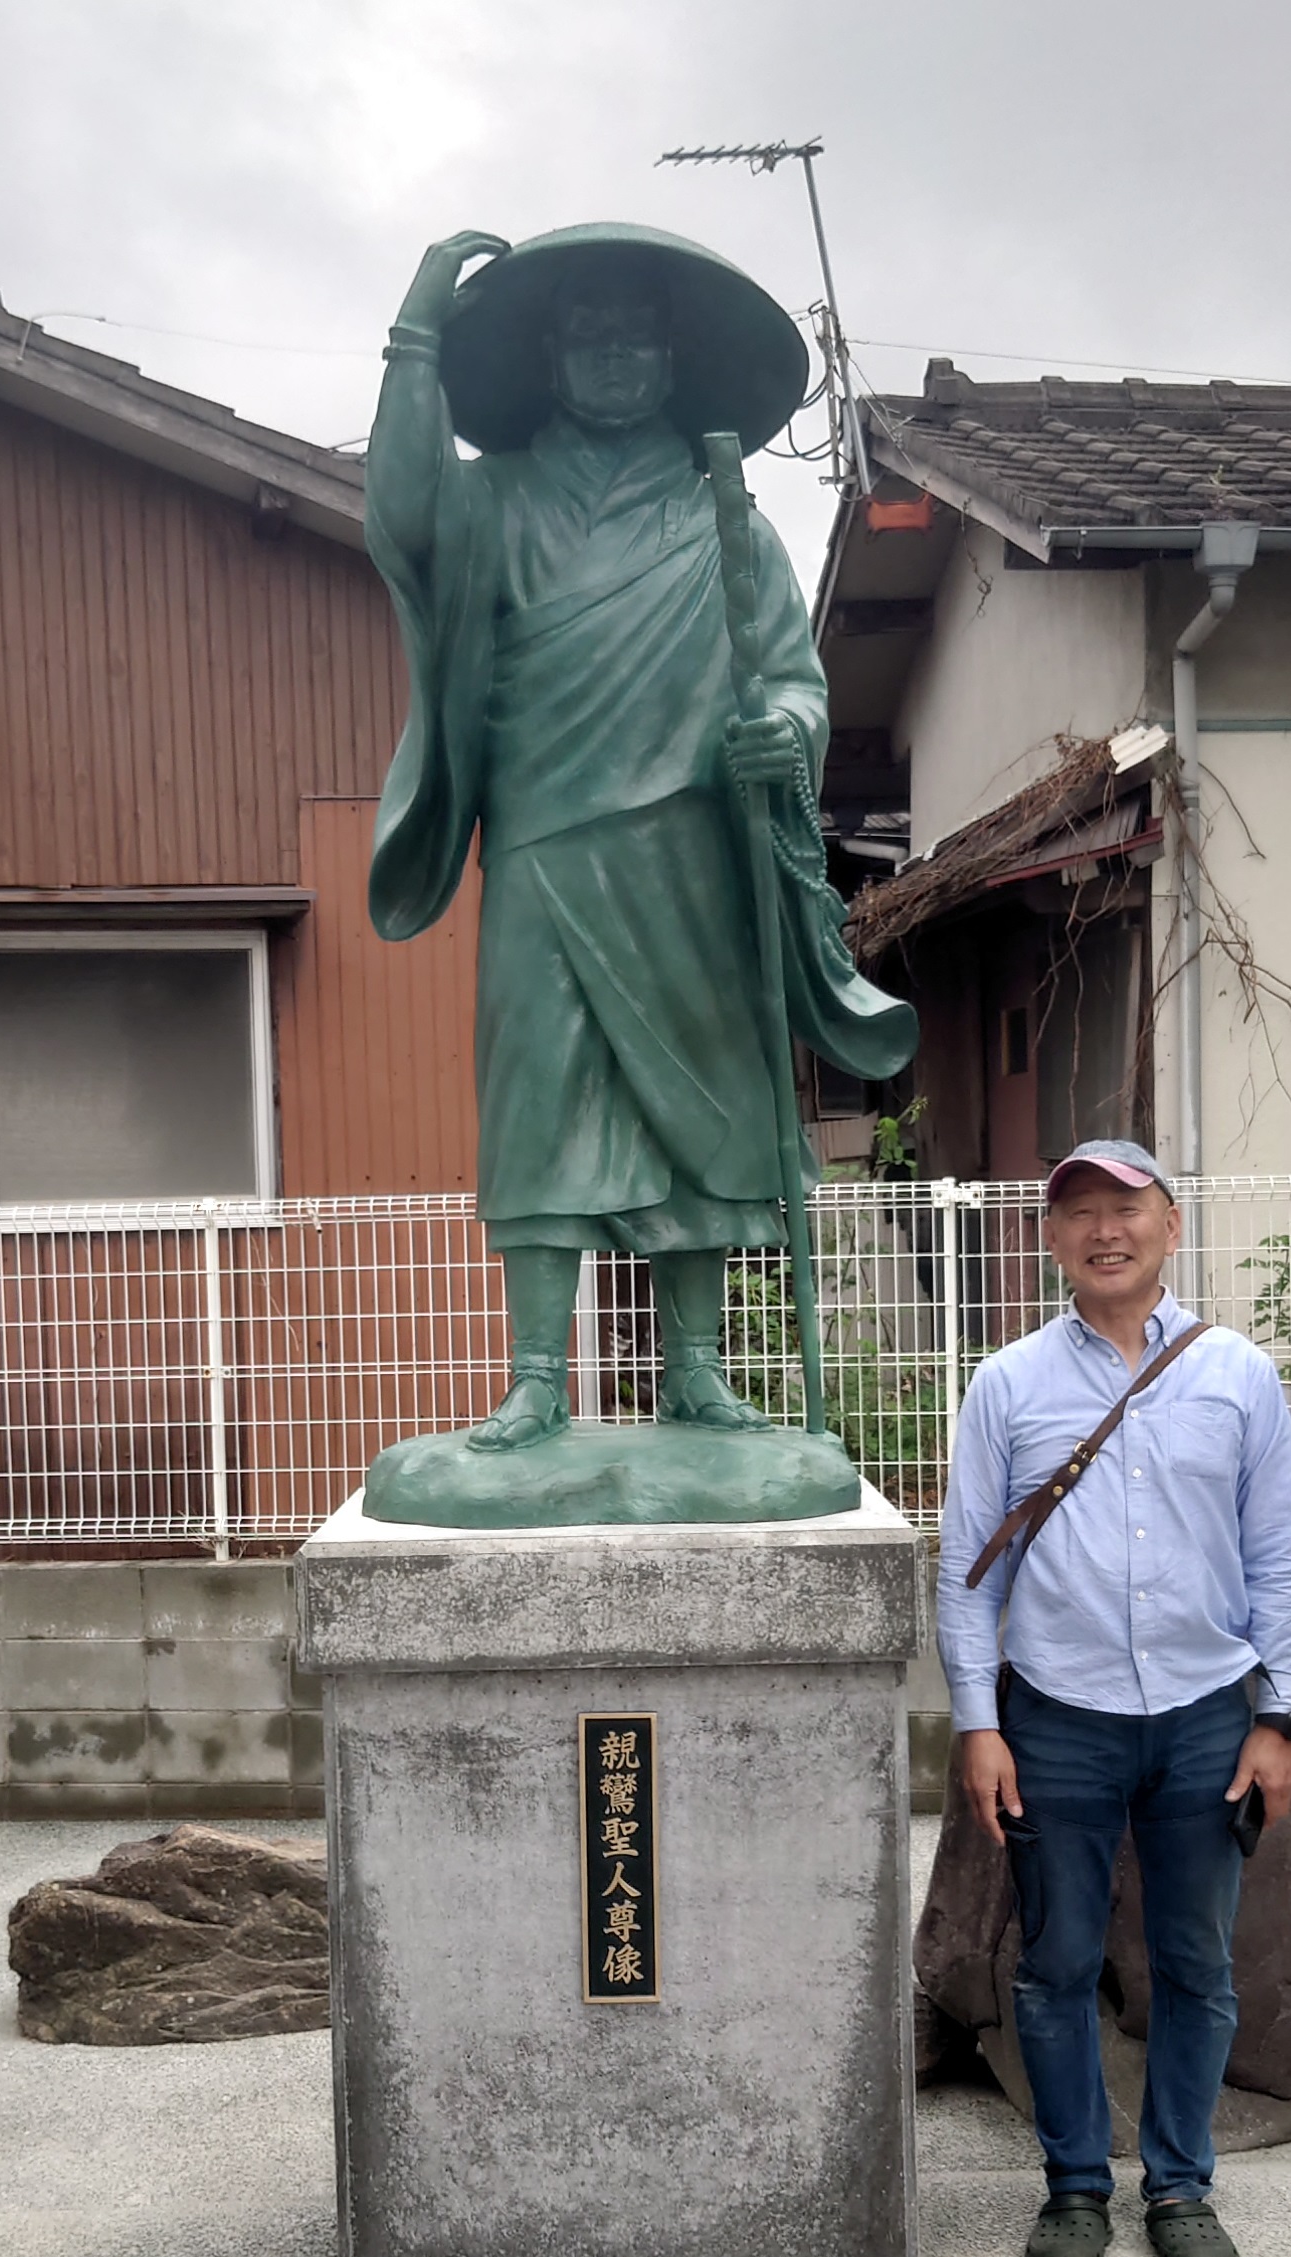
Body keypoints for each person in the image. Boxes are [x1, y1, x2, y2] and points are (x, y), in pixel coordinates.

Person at [363, 224, 915, 1450]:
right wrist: (414, 337)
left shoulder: (727, 519)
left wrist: (782, 729)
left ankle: (697, 1369)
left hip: (688, 851)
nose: (613, 358)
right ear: (553, 359)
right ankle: (536, 1381)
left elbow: (790, 677)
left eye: (636, 338)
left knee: (704, 1111)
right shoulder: (495, 500)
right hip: (548, 845)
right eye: (588, 335)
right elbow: (400, 518)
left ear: (672, 362)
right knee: (538, 1103)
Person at [936, 1138, 1291, 2257]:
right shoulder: (1007, 1383)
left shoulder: (1238, 1375)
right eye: (1080, 1213)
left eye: (1126, 1207)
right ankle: (1072, 2190)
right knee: (1052, 1961)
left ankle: (1183, 2187)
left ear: (1170, 1225)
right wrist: (977, 1720)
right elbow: (970, 1569)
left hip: (1207, 1713)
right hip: (1056, 1717)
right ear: (1053, 1240)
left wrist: (1279, 1713)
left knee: (1196, 1963)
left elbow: (1277, 1557)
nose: (1105, 1229)